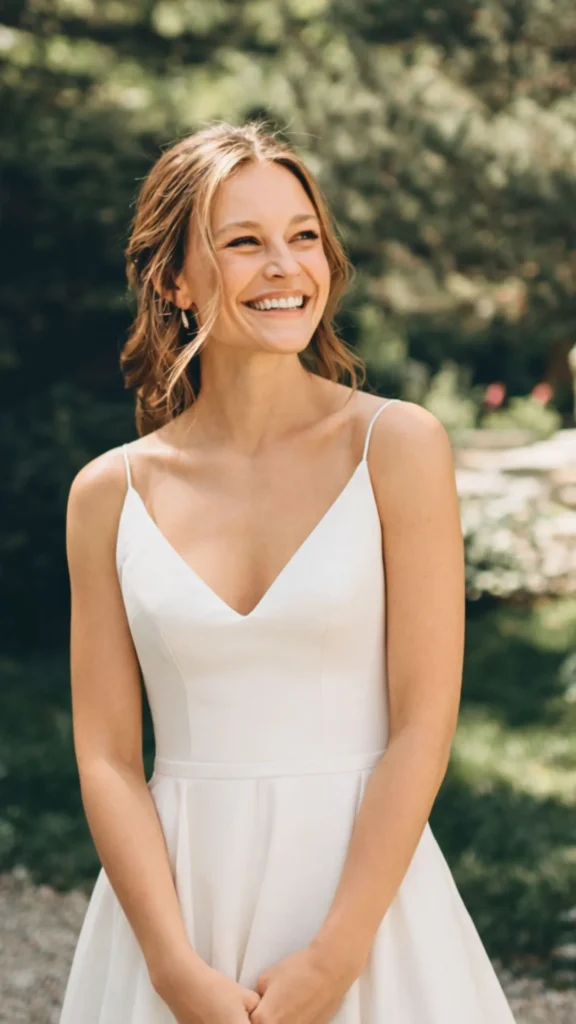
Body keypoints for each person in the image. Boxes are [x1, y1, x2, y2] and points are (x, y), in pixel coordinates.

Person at [60, 120, 517, 1023]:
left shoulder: (398, 445)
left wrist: (336, 957)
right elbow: (109, 756)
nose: (285, 266)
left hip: (366, 912)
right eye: (243, 243)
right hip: (177, 916)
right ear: (174, 280)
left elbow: (423, 724)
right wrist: (169, 967)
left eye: (302, 236)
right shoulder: (107, 494)